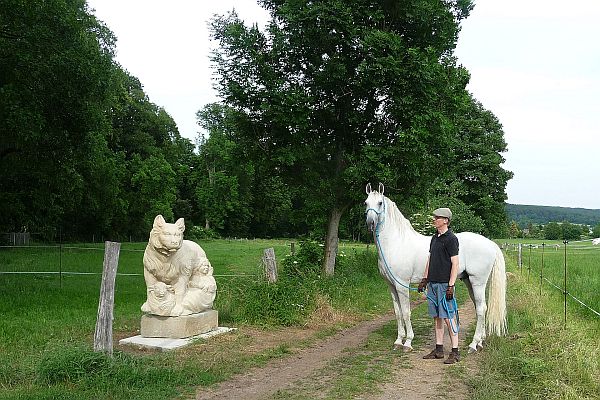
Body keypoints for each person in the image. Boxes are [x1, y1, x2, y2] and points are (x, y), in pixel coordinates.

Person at [417, 207, 460, 364]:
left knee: (448, 316)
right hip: (433, 283)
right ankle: (439, 349)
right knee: (437, 317)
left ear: (446, 220)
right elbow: (430, 259)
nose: (434, 219)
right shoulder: (434, 238)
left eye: (437, 217)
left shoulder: (451, 239)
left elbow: (455, 263)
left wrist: (451, 285)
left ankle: (455, 352)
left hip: (444, 284)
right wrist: (425, 278)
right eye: (435, 217)